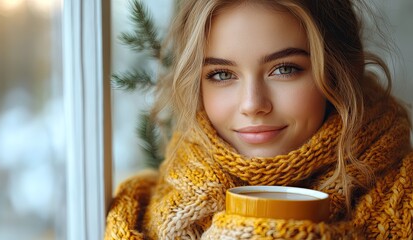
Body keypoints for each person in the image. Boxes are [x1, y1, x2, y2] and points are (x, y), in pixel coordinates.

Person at [105, 0, 413, 239]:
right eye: (222, 74)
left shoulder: (405, 199)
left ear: (343, 70)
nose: (253, 104)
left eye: (284, 69)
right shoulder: (138, 213)